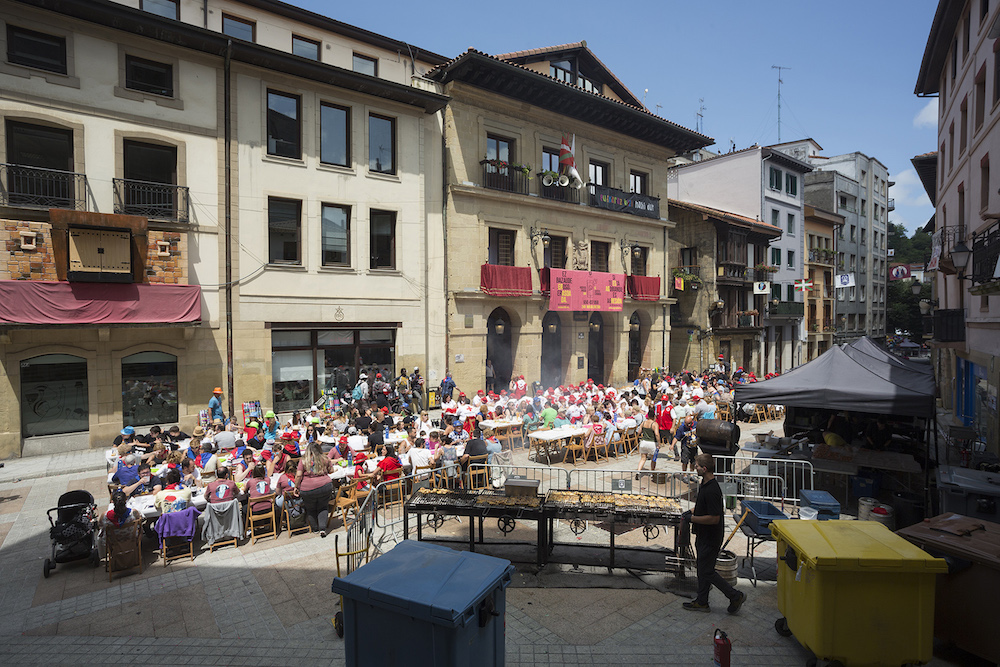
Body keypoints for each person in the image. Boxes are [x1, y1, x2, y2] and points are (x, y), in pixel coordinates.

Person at [682, 454, 746, 614]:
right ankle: (702, 602)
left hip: (711, 538)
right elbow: (702, 507)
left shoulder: (712, 490)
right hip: (703, 535)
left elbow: (714, 518)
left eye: (696, 466)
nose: (694, 468)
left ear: (704, 469)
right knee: (703, 569)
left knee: (706, 571)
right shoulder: (705, 483)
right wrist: (689, 512)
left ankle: (735, 595)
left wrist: (693, 519)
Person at [294, 442, 335, 537]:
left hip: (308, 488)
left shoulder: (303, 460)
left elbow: (299, 475)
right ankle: (322, 528)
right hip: (325, 485)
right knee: (323, 507)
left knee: (310, 508)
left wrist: (296, 487)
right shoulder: (325, 459)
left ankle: (315, 528)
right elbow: (331, 471)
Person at [635, 408, 661, 480]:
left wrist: (636, 439)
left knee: (643, 458)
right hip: (651, 443)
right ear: (654, 416)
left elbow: (639, 432)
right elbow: (657, 434)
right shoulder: (654, 424)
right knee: (653, 459)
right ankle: (652, 473)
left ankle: (638, 471)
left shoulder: (643, 423)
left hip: (643, 442)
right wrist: (659, 443)